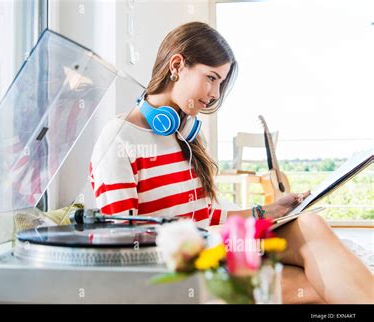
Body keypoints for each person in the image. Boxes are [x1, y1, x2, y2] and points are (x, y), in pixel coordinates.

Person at [89, 21, 373, 304]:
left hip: (211, 248)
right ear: (176, 66)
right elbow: (123, 246)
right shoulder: (118, 140)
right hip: (175, 269)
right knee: (313, 286)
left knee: (311, 224)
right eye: (211, 78)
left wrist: (269, 211)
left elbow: (208, 217)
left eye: (220, 82)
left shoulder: (184, 135)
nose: (215, 94)